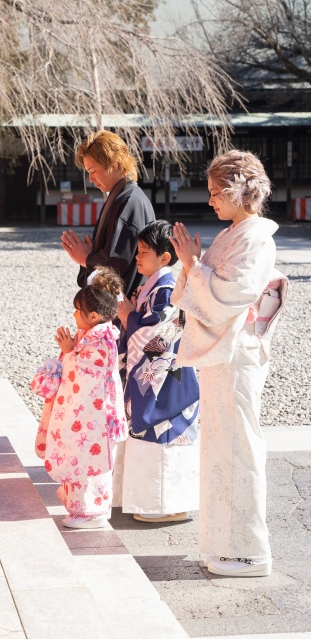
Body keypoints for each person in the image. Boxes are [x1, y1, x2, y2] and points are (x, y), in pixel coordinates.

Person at [170, 150, 288, 578]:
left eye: (217, 192)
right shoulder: (232, 234)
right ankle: (224, 543)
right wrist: (192, 265)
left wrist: (191, 264)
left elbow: (233, 294)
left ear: (241, 190)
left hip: (238, 353)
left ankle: (250, 551)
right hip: (223, 354)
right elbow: (201, 289)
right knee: (221, 447)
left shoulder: (257, 238)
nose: (211, 200)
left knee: (239, 446)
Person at [112, 220, 200, 523]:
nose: (137, 257)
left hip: (165, 380)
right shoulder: (153, 286)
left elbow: (158, 335)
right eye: (138, 251)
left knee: (162, 434)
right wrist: (132, 314)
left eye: (144, 252)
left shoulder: (165, 289)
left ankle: (164, 506)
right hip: (153, 376)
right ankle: (152, 502)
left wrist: (129, 316)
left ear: (164, 257)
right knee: (149, 437)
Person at [31, 266, 128, 529]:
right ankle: (81, 508)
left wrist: (69, 352)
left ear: (93, 315)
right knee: (79, 456)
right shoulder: (93, 335)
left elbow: (85, 376)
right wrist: (72, 350)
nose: (74, 315)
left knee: (90, 461)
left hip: (96, 417)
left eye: (77, 310)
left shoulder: (101, 341)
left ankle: (93, 512)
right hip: (88, 415)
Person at [61, 131, 155, 299]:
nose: (90, 179)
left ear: (114, 164)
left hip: (127, 304)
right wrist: (92, 252)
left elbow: (117, 262)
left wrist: (87, 258)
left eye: (93, 171)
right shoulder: (122, 196)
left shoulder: (130, 201)